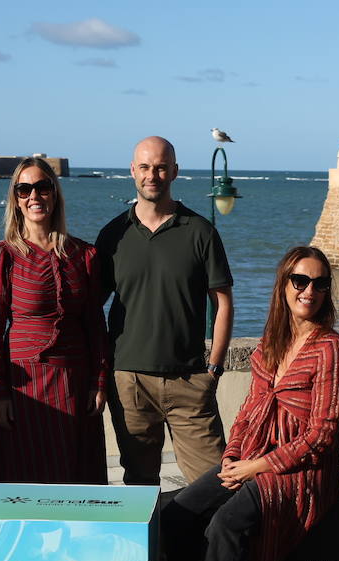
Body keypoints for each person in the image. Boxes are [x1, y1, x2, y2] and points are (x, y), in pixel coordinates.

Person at [164, 246, 339, 561]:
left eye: (320, 283)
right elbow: (249, 413)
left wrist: (255, 467)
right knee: (178, 515)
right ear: (283, 284)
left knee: (225, 524)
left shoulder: (331, 349)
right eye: (300, 281)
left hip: (301, 474)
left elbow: (322, 434)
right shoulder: (270, 345)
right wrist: (231, 459)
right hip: (251, 457)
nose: (310, 291)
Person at [95, 136, 234, 487]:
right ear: (132, 171)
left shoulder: (200, 232)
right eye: (144, 167)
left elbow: (223, 303)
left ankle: (205, 545)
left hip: (189, 381)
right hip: (129, 383)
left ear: (174, 171)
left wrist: (214, 368)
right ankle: (151, 544)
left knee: (215, 483)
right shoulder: (113, 235)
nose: (152, 175)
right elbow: (91, 307)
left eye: (160, 167)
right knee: (139, 484)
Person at [0, 157, 109, 493]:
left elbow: (95, 324)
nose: (34, 196)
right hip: (25, 392)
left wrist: (100, 381)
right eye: (24, 189)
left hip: (77, 386)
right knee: (26, 484)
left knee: (76, 485)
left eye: (42, 186)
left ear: (55, 193)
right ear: (16, 199)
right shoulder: (2, 257)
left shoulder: (84, 255)